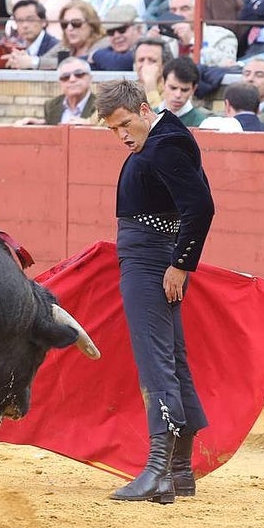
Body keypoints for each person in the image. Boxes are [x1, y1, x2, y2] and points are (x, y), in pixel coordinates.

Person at [95, 75, 214, 503]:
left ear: (145, 110)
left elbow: (201, 206)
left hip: (150, 261)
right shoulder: (165, 137)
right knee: (172, 360)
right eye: (113, 129)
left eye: (126, 124)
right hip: (151, 257)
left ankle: (159, 470)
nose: (122, 136)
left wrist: (180, 265)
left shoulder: (165, 145)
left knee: (155, 361)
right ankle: (180, 470)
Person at [16, 56, 96, 125]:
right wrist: (38, 124)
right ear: (60, 82)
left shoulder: (101, 106)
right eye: (65, 77)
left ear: (90, 78)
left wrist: (89, 123)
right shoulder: (51, 105)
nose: (72, 79)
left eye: (79, 74)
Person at [2, 0, 60, 70]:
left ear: (43, 22)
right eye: (20, 20)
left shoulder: (57, 47)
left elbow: (63, 63)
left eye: (30, 19)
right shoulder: (17, 48)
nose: (25, 25)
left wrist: (32, 62)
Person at [157, 57, 210, 126]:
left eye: (185, 90)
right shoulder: (148, 117)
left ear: (193, 89)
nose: (178, 95)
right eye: (173, 88)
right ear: (163, 84)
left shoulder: (202, 124)